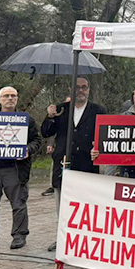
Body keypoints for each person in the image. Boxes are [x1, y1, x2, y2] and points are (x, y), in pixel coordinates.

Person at [42, 76, 106, 251]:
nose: (81, 90)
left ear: (89, 89)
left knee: (86, 205)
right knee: (62, 205)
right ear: (71, 89)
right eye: (77, 87)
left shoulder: (99, 110)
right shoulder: (60, 109)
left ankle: (85, 240)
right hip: (64, 164)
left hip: (86, 165)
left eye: (84, 87)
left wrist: (99, 149)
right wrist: (50, 116)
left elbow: (105, 136)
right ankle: (62, 239)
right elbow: (46, 132)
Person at [0, 87, 42, 249]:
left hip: (15, 169)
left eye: (13, 95)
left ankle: (19, 236)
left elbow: (37, 141)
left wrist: (27, 150)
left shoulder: (27, 120)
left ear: (17, 99)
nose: (10, 98)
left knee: (18, 205)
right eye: (6, 96)